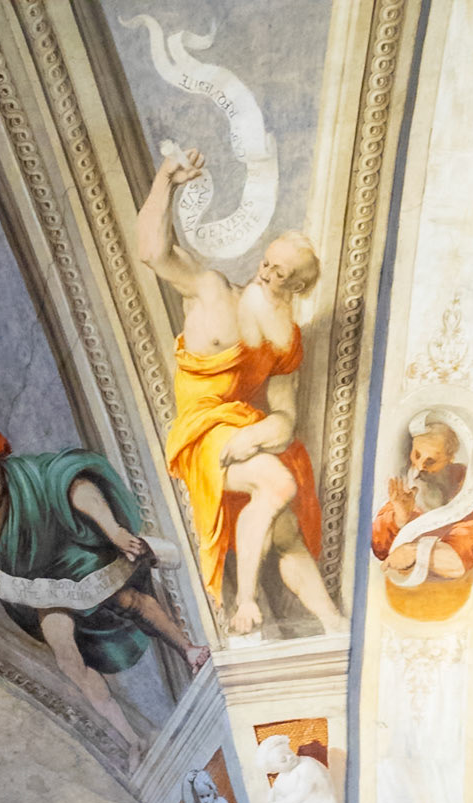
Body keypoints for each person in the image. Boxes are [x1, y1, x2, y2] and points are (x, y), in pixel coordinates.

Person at [0, 418, 208, 754]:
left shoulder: (27, 472)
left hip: (71, 558)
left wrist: (114, 531)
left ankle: (189, 650)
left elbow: (74, 484)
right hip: (36, 583)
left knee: (128, 600)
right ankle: (132, 739)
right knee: (67, 659)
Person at [138, 152, 343, 639]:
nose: (264, 275)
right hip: (202, 430)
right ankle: (246, 603)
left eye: (279, 274)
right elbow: (152, 252)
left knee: (286, 531)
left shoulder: (284, 339)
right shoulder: (212, 291)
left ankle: (332, 622)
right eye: (266, 263)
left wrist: (263, 432)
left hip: (242, 432)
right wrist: (166, 180)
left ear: (297, 286)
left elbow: (285, 410)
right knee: (278, 483)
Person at [371, 416, 473, 591]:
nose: (420, 467)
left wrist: (413, 552)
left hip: (449, 594)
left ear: (450, 458)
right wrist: (399, 518)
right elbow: (380, 548)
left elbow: (459, 561)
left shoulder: (469, 492)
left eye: (431, 461)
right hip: (395, 591)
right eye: (417, 455)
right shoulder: (412, 482)